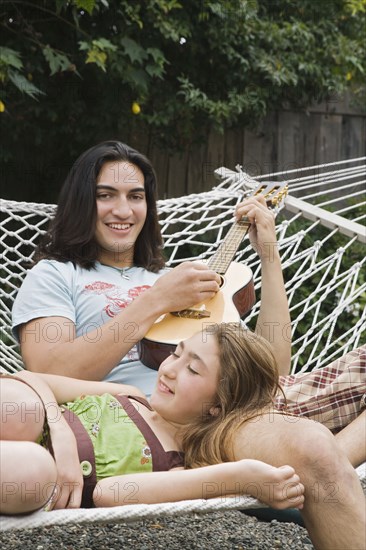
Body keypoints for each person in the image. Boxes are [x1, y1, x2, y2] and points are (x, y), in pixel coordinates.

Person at [0, 325, 305, 515]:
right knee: (24, 406)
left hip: (30, 474)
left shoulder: (175, 466)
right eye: (176, 354)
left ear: (218, 406)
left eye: (193, 370)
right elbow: (28, 378)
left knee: (35, 470)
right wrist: (60, 430)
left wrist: (242, 474)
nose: (170, 370)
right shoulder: (129, 394)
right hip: (29, 420)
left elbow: (109, 494)